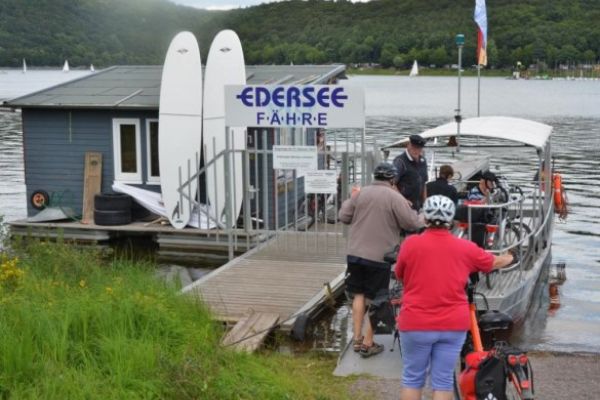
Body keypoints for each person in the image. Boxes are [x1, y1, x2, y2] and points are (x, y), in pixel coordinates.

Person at [395, 195, 515, 400]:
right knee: (442, 381)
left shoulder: (410, 245)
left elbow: (399, 274)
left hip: (416, 321)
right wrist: (511, 256)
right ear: (452, 220)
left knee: (413, 378)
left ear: (426, 218)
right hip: (452, 324)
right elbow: (491, 262)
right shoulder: (465, 248)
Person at [339, 162, 424, 358]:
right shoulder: (395, 197)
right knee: (377, 300)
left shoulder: (361, 193)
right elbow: (410, 223)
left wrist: (351, 198)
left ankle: (357, 339)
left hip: (355, 253)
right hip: (379, 257)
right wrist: (423, 217)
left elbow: (344, 216)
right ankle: (368, 343)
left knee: (359, 295)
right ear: (393, 179)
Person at [393, 134, 428, 211]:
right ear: (408, 145)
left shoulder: (423, 161)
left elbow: (424, 182)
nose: (416, 151)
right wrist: (403, 201)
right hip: (403, 206)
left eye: (419, 148)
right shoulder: (400, 161)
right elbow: (392, 184)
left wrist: (426, 202)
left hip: (418, 206)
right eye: (414, 148)